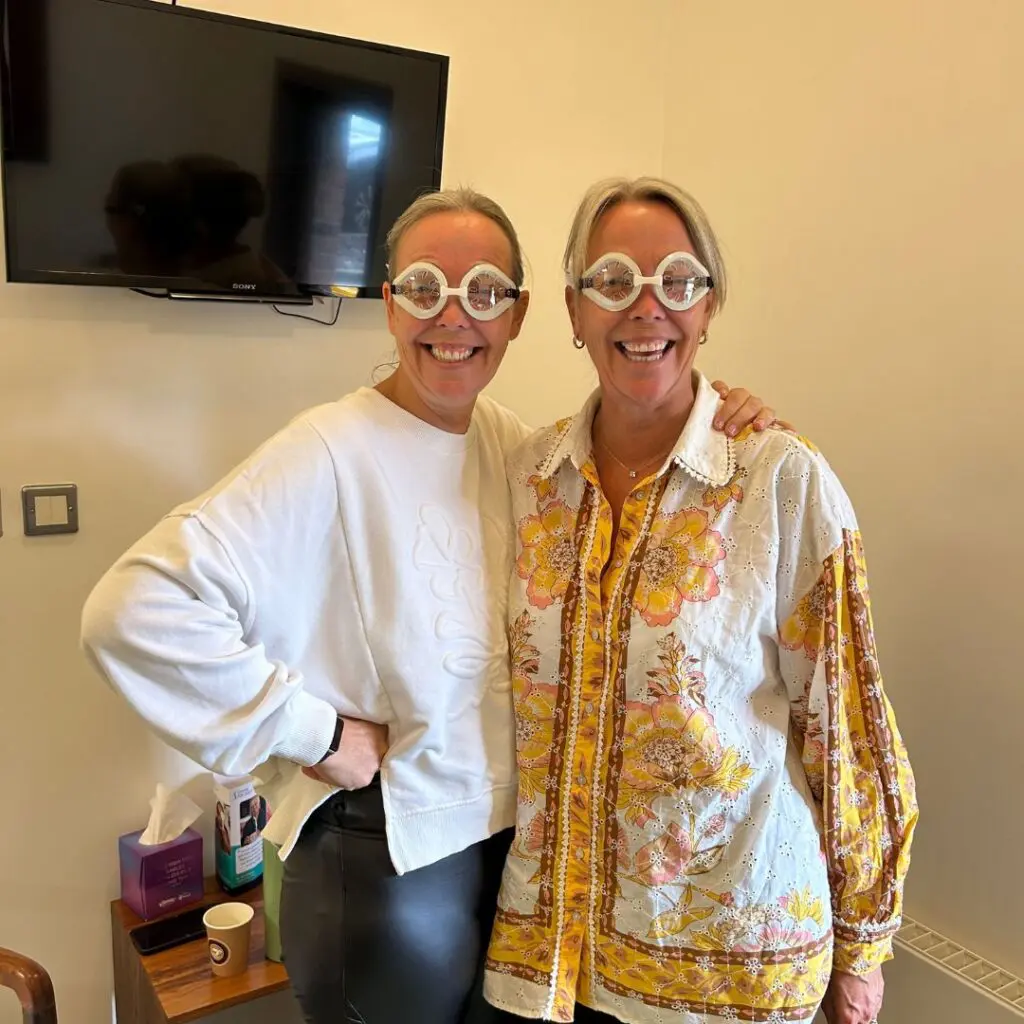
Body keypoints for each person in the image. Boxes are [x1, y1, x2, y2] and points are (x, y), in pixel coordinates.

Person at [81, 187, 779, 1024]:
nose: (454, 318)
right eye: (424, 289)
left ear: (519, 315)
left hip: (504, 859)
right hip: (384, 867)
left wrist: (719, 418)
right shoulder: (326, 451)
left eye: (484, 292)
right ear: (388, 305)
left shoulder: (511, 444)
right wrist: (316, 734)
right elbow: (130, 609)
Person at [484, 178, 918, 1024]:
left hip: (737, 967)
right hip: (552, 962)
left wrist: (864, 945)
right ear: (573, 311)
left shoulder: (780, 480)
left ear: (709, 306)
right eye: (613, 282)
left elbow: (848, 722)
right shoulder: (528, 480)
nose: (646, 307)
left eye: (677, 282)